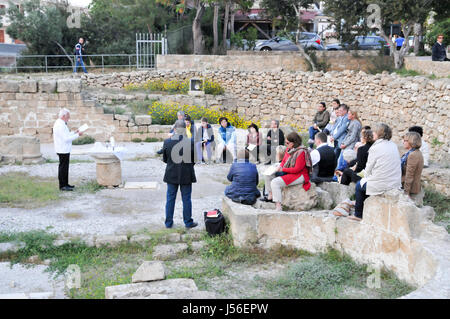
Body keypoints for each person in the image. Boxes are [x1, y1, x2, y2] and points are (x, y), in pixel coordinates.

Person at [350, 123, 402, 221]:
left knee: (359, 186)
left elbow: (368, 169)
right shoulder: (393, 145)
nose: (372, 133)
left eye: (374, 131)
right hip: (394, 182)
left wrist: (365, 177)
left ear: (378, 133)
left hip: (382, 183)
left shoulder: (375, 148)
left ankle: (358, 215)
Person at [262, 132, 312, 211]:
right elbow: (283, 161)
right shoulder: (289, 149)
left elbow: (297, 169)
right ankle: (270, 195)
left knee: (275, 182)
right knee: (268, 174)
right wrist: (279, 166)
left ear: (293, 143)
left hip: (300, 175)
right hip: (290, 171)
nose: (286, 144)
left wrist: (283, 169)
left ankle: (278, 206)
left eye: (287, 143)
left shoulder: (301, 152)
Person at [162, 120, 198, 229]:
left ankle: (168, 223)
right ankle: (188, 222)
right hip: (186, 173)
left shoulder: (167, 142)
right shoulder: (190, 142)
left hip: (171, 173)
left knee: (170, 199)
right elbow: (195, 159)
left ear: (175, 129)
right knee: (186, 199)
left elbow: (165, 159)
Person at [53, 108, 83, 191]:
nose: (69, 118)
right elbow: (66, 139)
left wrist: (75, 132)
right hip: (62, 149)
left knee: (65, 168)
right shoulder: (60, 125)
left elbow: (66, 134)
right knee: (63, 168)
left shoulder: (62, 123)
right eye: (68, 116)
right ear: (63, 116)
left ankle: (66, 184)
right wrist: (78, 135)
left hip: (64, 149)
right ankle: (62, 186)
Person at [401, 132, 424, 200]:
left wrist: (406, 192)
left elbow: (409, 175)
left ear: (411, 141)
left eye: (405, 141)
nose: (403, 142)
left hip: (411, 189)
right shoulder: (415, 152)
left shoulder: (412, 155)